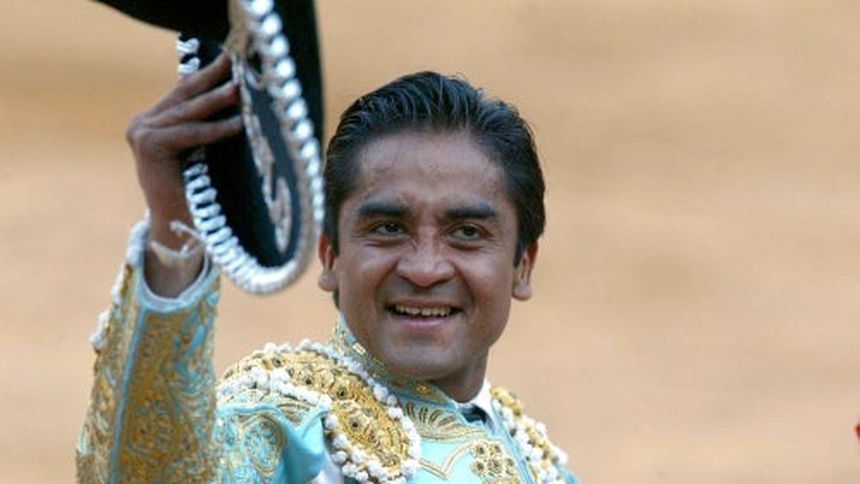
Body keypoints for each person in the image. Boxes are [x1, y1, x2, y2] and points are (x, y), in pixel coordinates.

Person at [76, 54, 578, 483]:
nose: (425, 269)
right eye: (388, 228)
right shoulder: (283, 421)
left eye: (466, 233)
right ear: (330, 255)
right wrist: (175, 230)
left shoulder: (538, 462)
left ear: (522, 266)